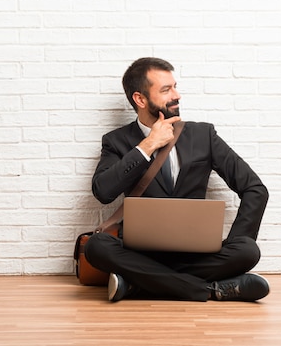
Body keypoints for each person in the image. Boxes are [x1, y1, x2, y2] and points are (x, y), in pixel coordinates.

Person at [84, 57, 270, 302]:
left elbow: (255, 189)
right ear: (140, 99)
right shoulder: (116, 141)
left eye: (175, 86)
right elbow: (103, 191)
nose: (177, 95)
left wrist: (233, 242)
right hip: (140, 253)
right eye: (166, 90)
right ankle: (212, 290)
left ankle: (139, 285)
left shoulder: (203, 135)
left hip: (195, 254)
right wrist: (147, 145)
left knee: (246, 251)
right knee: (96, 247)